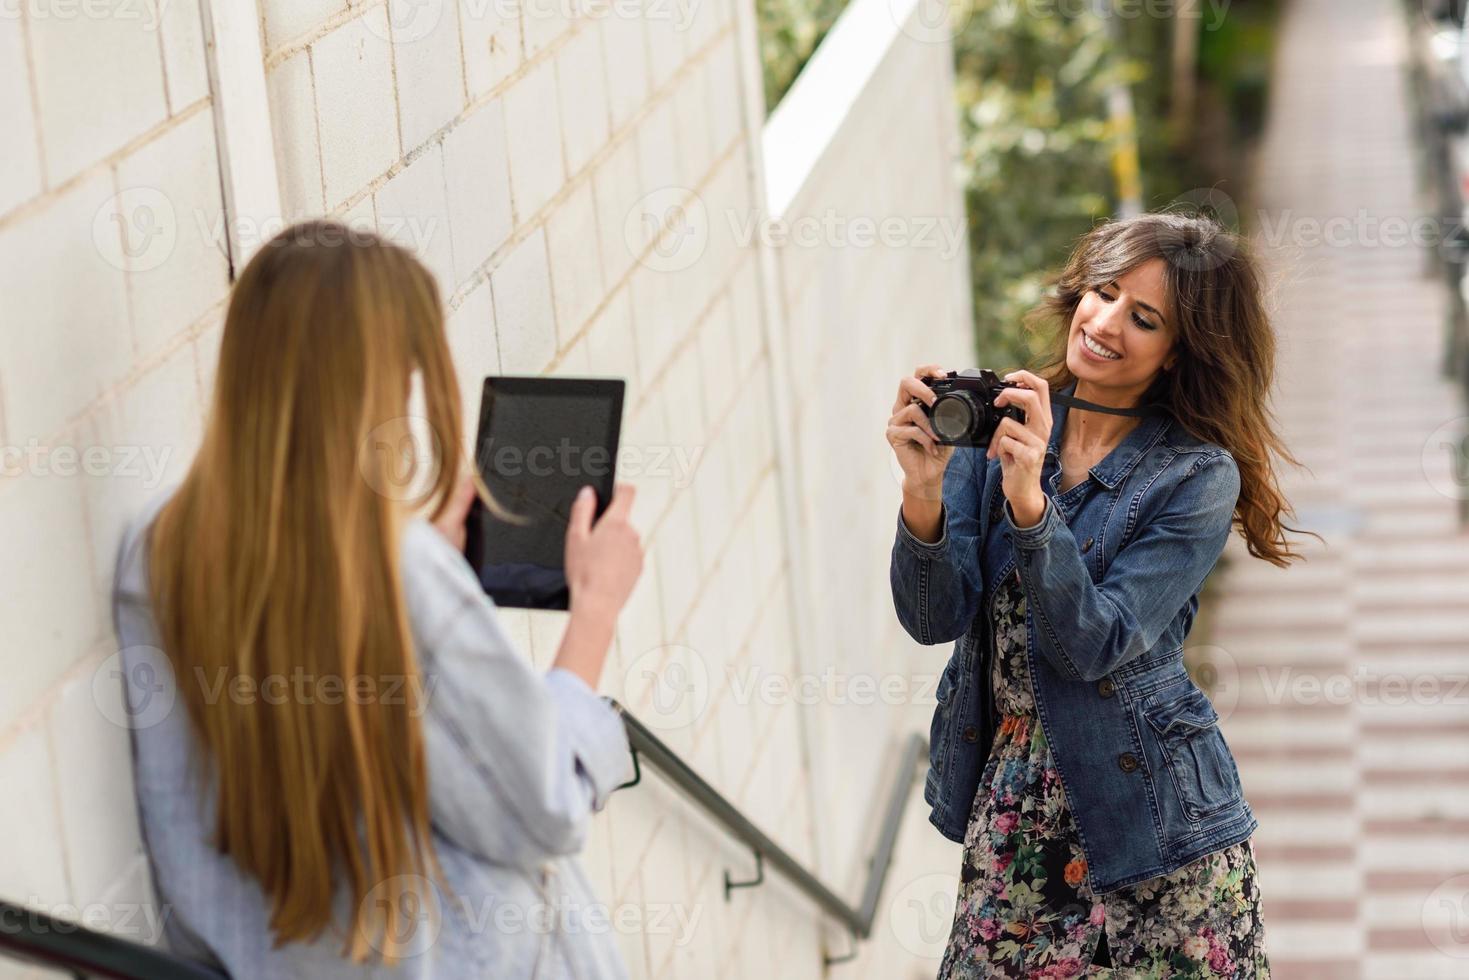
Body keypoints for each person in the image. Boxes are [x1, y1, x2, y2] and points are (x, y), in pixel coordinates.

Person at [110, 220, 644, 978]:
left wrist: (414, 580)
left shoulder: (156, 552)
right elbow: (542, 809)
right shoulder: (401, 573)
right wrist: (594, 608)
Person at [887, 213, 1311, 976]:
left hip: (1151, 818)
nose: (1105, 322)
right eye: (1103, 292)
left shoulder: (1193, 475)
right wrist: (923, 489)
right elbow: (932, 618)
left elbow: (1094, 643)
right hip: (1017, 806)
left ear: (1180, 349)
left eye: (1142, 317)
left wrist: (1031, 506)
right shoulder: (1004, 426)